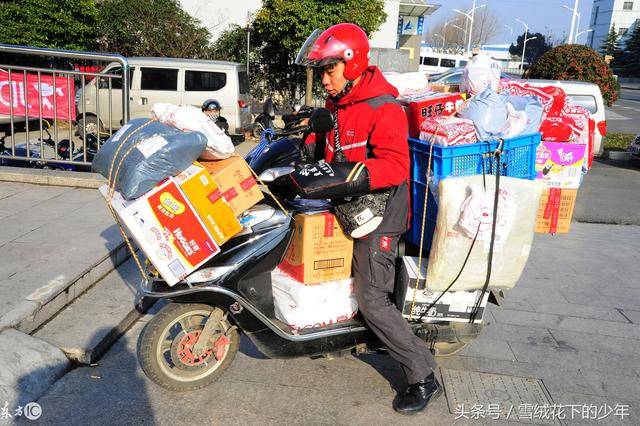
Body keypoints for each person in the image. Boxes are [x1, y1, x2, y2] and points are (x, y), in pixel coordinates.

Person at [295, 23, 441, 415]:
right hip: (349, 204)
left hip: (381, 215)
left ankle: (422, 375)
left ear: (352, 63)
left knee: (372, 297)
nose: (324, 79)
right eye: (320, 72)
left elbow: (393, 166)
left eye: (329, 70)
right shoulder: (336, 106)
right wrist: (304, 146)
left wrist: (349, 175)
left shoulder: (384, 109)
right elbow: (326, 147)